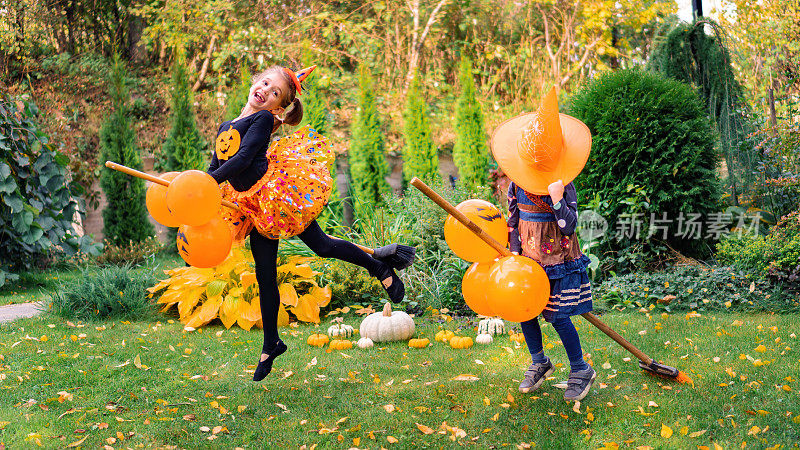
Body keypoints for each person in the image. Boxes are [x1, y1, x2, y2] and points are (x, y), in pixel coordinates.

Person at [207, 65, 406, 381]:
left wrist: (207, 181)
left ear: (278, 108)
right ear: (255, 81)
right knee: (265, 275)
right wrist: (200, 184)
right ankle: (271, 342)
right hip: (251, 206)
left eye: (276, 94)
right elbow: (217, 165)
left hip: (275, 196)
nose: (266, 92)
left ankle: (378, 268)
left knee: (323, 246)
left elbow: (242, 160)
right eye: (266, 83)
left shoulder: (261, 120)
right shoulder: (225, 125)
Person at [490, 86, 596, 401]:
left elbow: (569, 225)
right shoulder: (515, 185)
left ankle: (580, 369)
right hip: (527, 260)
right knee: (525, 310)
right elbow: (511, 222)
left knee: (558, 315)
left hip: (558, 260)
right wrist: (513, 255)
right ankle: (540, 361)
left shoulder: (563, 186)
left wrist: (557, 199)